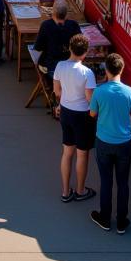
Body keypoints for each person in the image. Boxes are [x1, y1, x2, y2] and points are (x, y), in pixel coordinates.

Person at [89, 52, 131, 233]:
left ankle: (105, 217)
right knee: (123, 183)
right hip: (124, 143)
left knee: (106, 181)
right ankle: (121, 221)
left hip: (103, 142)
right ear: (122, 69)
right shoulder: (130, 92)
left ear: (106, 70)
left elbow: (92, 113)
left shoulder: (99, 91)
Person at [53, 33, 97, 203]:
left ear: (70, 49)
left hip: (66, 112)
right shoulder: (87, 73)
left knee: (67, 153)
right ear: (85, 53)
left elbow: (57, 92)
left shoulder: (60, 66)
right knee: (82, 154)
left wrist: (62, 102)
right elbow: (89, 100)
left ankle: (65, 191)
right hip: (82, 116)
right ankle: (80, 190)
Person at [34, 1, 82, 81]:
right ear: (66, 13)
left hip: (51, 66)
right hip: (71, 66)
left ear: (53, 12)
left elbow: (38, 47)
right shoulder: (74, 25)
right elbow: (80, 45)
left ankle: (52, 85)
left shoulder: (46, 25)